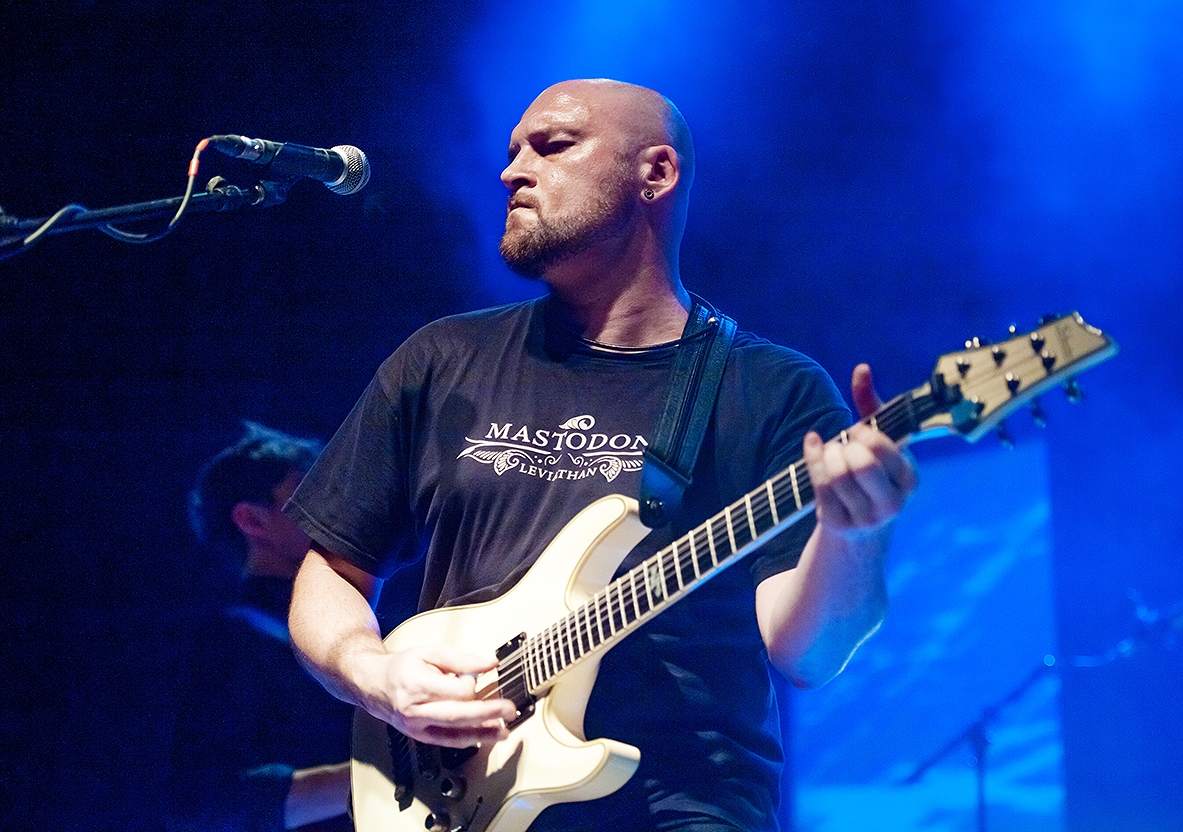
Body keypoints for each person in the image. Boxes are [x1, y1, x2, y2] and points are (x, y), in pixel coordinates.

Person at [284, 79, 918, 831]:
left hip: (683, 804)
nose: (512, 172)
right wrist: (375, 674)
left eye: (552, 147)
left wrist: (856, 535)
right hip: (456, 799)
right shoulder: (442, 359)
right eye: (512, 152)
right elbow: (331, 571)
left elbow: (806, 653)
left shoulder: (771, 388)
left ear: (656, 173)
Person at [170, 422, 355, 832]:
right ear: (252, 519)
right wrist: (384, 776)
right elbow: (204, 804)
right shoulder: (230, 639)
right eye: (313, 491)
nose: (339, 507)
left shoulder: (364, 618)